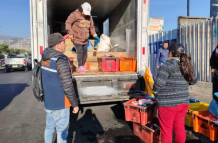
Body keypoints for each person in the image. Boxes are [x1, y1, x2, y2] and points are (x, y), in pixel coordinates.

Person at [153, 43, 197, 143]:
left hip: (167, 105)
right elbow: (194, 81)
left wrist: (156, 94)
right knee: (180, 127)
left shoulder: (167, 65)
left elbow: (157, 85)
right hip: (183, 103)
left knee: (166, 131)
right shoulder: (186, 65)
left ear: (170, 53)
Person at [41, 33, 79, 143]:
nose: (65, 45)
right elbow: (67, 85)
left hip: (49, 103)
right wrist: (75, 104)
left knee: (49, 129)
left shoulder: (45, 58)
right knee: (61, 132)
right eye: (63, 42)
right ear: (58, 45)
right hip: (60, 104)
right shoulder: (60, 61)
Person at [65, 2, 100, 73]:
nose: (86, 14)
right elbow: (68, 23)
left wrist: (95, 36)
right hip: (76, 38)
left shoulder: (89, 17)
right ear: (81, 9)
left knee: (85, 53)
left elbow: (92, 27)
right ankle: (79, 66)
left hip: (85, 39)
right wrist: (70, 33)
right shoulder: (74, 15)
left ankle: (82, 66)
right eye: (85, 12)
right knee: (80, 51)